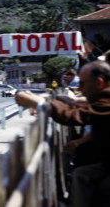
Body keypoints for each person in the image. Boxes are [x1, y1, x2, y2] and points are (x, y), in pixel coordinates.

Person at [15, 60, 110, 207]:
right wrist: (64, 100)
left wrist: (39, 104)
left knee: (86, 176)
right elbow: (87, 106)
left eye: (83, 84)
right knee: (82, 174)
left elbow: (77, 115)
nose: (80, 89)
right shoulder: (103, 97)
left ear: (99, 82)